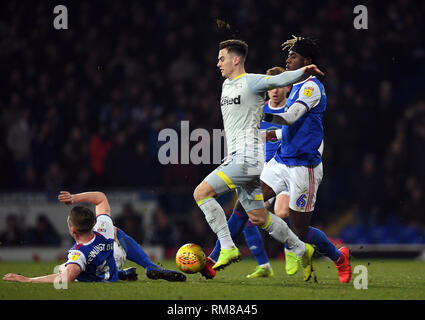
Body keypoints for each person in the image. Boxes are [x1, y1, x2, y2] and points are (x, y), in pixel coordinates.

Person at [203, 36, 352, 283]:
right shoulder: (294, 88)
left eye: (293, 56)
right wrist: (265, 133)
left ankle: (339, 257)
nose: (288, 59)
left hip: (304, 168)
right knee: (243, 206)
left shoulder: (311, 87)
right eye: (288, 55)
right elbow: (290, 130)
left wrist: (261, 114)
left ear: (307, 61)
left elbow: (292, 117)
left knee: (300, 231)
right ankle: (213, 259)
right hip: (281, 162)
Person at [3, 191, 186, 283]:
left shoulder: (77, 254)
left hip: (95, 269)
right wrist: (74, 198)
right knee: (114, 231)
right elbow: (100, 197)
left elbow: (66, 278)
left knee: (72, 270)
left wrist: (27, 280)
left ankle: (118, 274)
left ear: (73, 230)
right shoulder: (102, 228)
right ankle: (147, 266)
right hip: (114, 259)